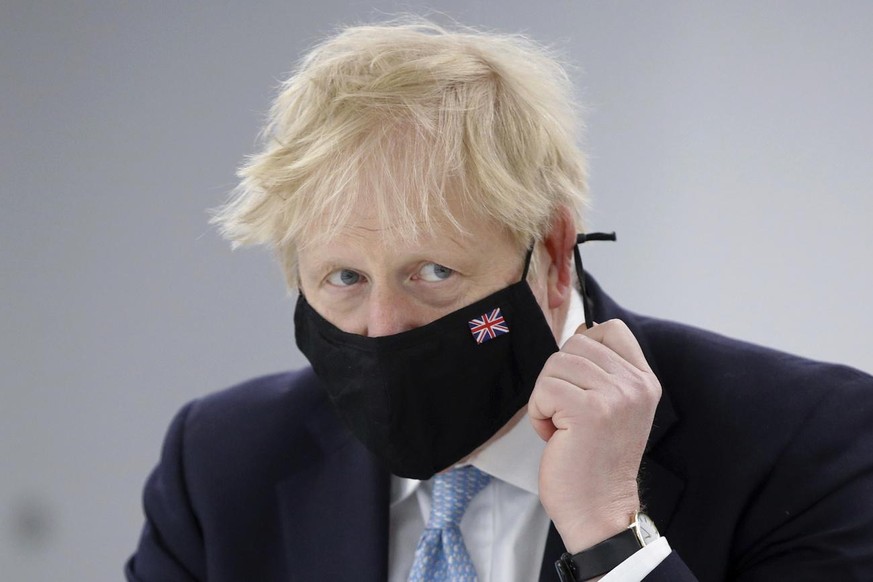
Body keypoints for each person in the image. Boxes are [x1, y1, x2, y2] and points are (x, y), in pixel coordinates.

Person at [125, 20, 873, 582]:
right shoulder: (221, 462)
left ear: (550, 255)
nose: (383, 329)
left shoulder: (810, 438)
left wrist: (611, 532)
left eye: (432, 271)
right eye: (344, 279)